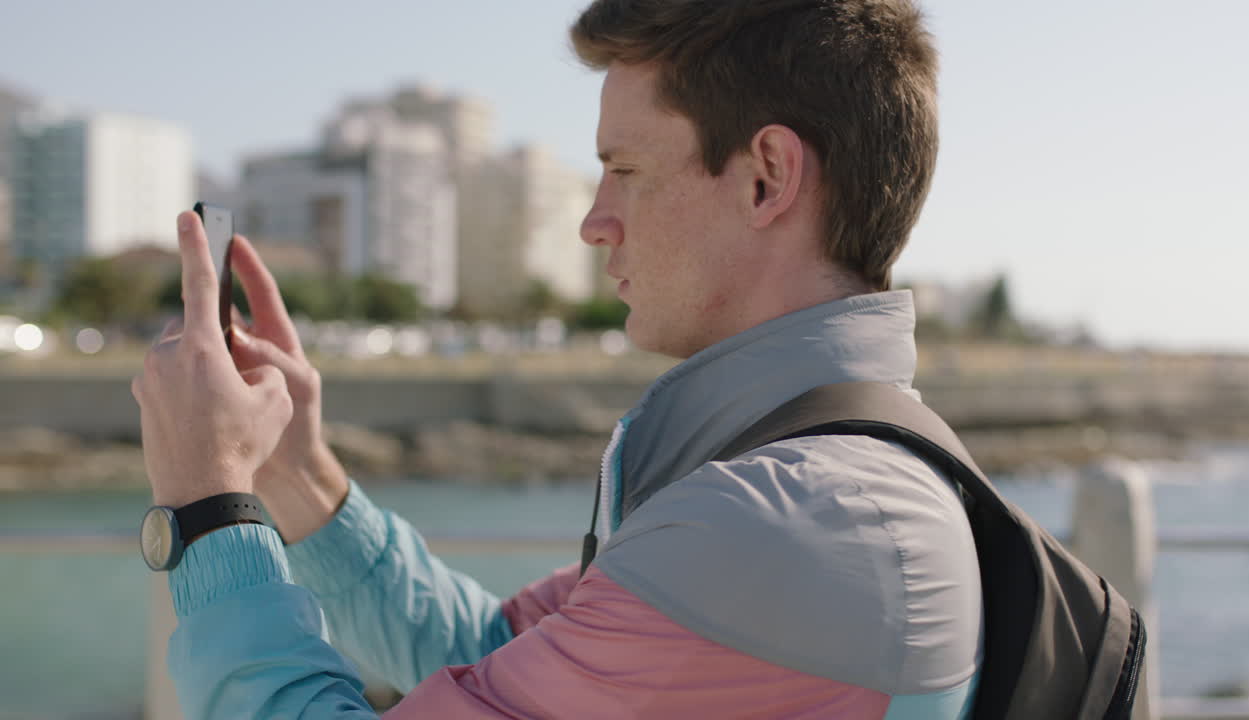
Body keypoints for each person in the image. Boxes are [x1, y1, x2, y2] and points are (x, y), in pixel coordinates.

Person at [131, 0, 983, 717]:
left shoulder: (788, 518)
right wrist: (292, 474)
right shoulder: (807, 474)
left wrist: (207, 509)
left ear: (765, 176)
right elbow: (495, 652)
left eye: (625, 169)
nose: (594, 219)